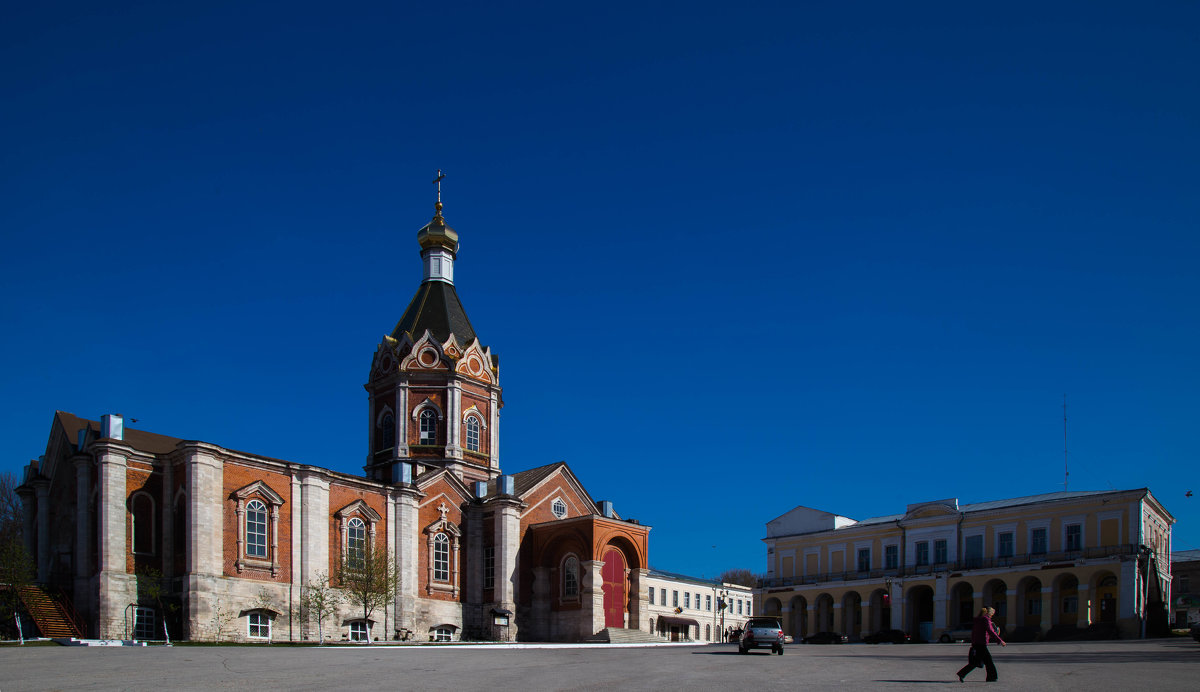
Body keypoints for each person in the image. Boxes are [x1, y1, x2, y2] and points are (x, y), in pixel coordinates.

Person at [957, 607, 1006, 682]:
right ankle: (991, 677)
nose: (992, 616)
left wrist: (973, 643)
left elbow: (974, 633)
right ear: (989, 613)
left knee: (980, 661)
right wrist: (1000, 640)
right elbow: (990, 631)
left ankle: (962, 674)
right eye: (992, 614)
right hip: (981, 643)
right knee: (987, 661)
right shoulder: (986, 619)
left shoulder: (977, 620)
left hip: (976, 643)